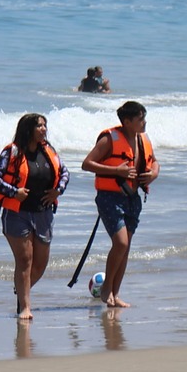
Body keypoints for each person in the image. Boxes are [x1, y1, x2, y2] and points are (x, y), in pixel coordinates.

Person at [0, 113, 69, 321]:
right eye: (39, 126)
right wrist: (14, 192)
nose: (43, 129)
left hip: (44, 213)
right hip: (17, 213)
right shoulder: (12, 151)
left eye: (45, 125)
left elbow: (65, 173)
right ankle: (25, 306)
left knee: (40, 265)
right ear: (28, 129)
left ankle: (21, 291)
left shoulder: (48, 150)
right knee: (25, 260)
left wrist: (57, 191)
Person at [81, 101, 157, 309]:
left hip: (133, 198)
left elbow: (155, 161)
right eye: (140, 119)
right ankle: (106, 289)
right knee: (121, 243)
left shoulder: (143, 139)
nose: (144, 122)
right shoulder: (109, 139)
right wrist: (117, 172)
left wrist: (154, 173)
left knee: (126, 247)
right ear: (127, 121)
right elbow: (86, 163)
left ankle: (115, 292)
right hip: (109, 196)